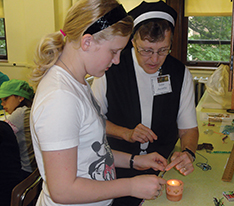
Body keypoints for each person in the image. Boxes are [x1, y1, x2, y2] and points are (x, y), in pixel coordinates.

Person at [30, 0, 167, 206]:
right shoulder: (60, 99)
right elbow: (63, 191)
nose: (117, 60)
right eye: (113, 51)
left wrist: (134, 161)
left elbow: (93, 150)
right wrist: (130, 186)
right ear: (87, 42)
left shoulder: (77, 82)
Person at [91, 1, 199, 205]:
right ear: (133, 41)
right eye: (146, 50)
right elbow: (92, 122)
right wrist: (126, 133)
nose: (155, 59)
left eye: (163, 50)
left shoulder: (179, 73)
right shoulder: (110, 68)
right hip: (115, 168)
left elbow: (188, 130)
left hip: (160, 169)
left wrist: (188, 152)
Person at [0, 79, 37, 180]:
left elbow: (3, 132)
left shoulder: (20, 113)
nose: (2, 104)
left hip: (24, 171)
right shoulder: (28, 110)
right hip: (32, 170)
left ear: (20, 97)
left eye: (5, 99)